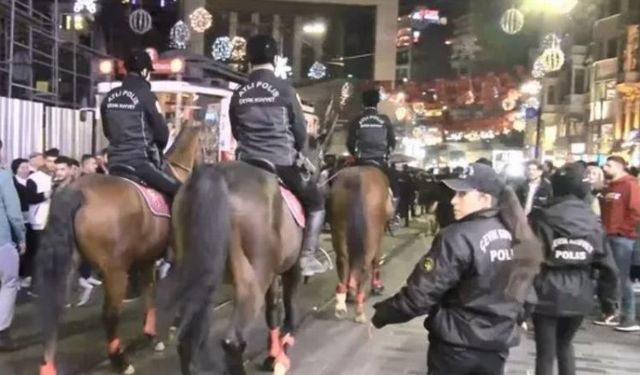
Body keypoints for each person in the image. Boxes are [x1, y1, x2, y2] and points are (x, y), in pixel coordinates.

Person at [371, 163, 542, 375]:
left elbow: (420, 294)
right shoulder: (518, 235)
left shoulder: (457, 236)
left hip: (455, 347)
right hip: (496, 346)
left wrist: (382, 316)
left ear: (484, 199)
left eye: (462, 194)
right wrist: (518, 317)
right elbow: (528, 290)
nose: (453, 200)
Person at [229, 34, 326, 277]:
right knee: (316, 202)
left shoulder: (239, 93)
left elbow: (235, 131)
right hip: (281, 164)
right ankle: (307, 256)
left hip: (246, 164)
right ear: (274, 58)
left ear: (249, 60)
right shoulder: (285, 89)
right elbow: (300, 133)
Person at [529, 163, 618, 375]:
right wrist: (609, 302)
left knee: (545, 351)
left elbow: (528, 259)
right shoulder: (592, 221)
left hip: (546, 290)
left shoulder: (541, 217)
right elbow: (607, 265)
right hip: (580, 291)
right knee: (565, 345)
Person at [100, 49, 180, 197]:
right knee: (181, 192)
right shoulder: (147, 96)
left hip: (114, 163)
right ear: (144, 72)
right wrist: (157, 150)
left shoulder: (109, 97)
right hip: (139, 162)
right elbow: (161, 133)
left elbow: (107, 132)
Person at [595, 156, 640, 331]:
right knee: (609, 275)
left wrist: (622, 229)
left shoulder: (630, 185)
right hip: (608, 235)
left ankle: (628, 317)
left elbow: (636, 211)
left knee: (621, 277)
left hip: (622, 238)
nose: (605, 168)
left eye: (609, 165)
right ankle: (612, 313)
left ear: (620, 167)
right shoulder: (609, 187)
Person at [346, 88, 398, 198]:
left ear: (363, 102)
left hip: (361, 160)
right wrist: (387, 154)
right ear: (377, 102)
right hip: (380, 160)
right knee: (394, 186)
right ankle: (395, 208)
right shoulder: (385, 120)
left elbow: (350, 143)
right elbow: (392, 142)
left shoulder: (357, 120)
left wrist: (356, 155)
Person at [0, 139, 26, 350]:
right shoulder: (3, 176)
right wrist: (22, 238)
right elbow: (14, 214)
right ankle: (2, 332)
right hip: (2, 242)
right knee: (9, 284)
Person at [10, 159, 47, 285]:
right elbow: (30, 197)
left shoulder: (30, 181)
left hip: (29, 220)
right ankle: (19, 276)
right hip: (18, 220)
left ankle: (26, 275)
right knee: (20, 249)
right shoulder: (13, 183)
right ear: (16, 169)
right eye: (22, 168)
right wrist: (46, 195)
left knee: (31, 248)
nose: (26, 170)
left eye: (27, 168)